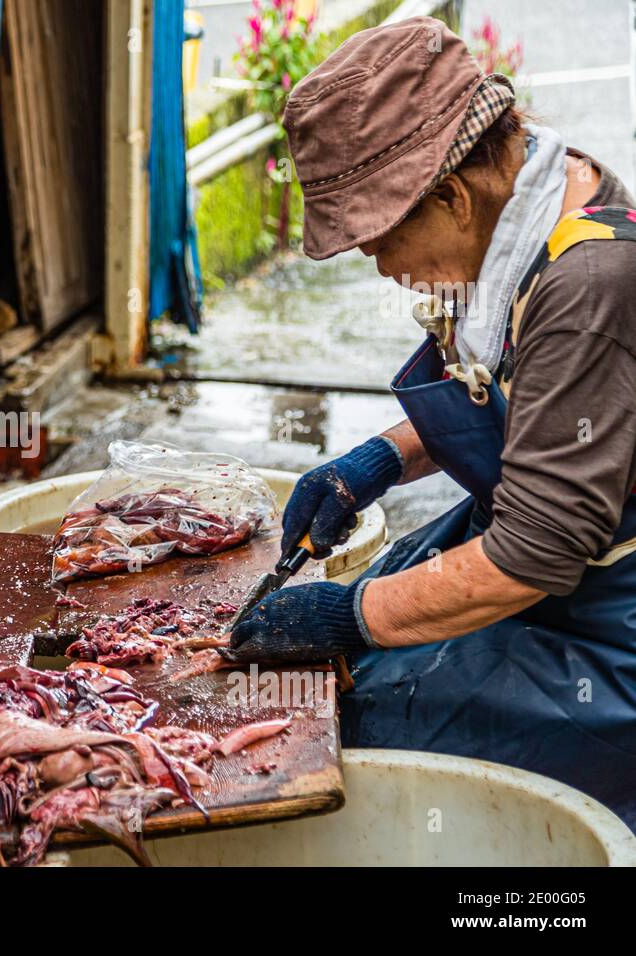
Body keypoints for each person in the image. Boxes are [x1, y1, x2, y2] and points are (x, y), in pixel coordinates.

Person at [225, 17, 636, 827]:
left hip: (608, 625)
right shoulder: (525, 195)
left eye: (379, 240)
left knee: (361, 721)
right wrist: (378, 459)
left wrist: (348, 615)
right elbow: (531, 404)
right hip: (549, 559)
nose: (379, 267)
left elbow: (532, 554)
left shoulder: (586, 282)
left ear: (450, 194)